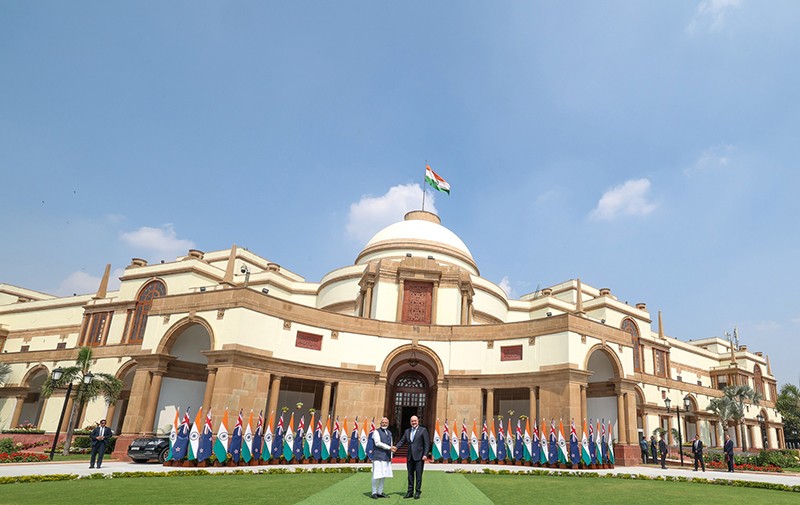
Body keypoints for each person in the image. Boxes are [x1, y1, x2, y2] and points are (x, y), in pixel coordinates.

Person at [393, 415, 430, 500]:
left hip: (419, 457)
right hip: (410, 456)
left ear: (418, 421)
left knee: (418, 475)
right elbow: (402, 441)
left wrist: (425, 454)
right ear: (410, 422)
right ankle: (410, 492)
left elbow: (426, 443)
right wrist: (396, 447)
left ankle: (417, 492)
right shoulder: (407, 431)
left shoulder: (423, 430)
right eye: (412, 421)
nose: (413, 422)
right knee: (410, 475)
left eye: (415, 421)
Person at [370, 417, 394, 499]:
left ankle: (380, 492)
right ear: (380, 423)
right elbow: (377, 443)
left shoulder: (389, 433)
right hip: (378, 456)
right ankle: (374, 492)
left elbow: (391, 444)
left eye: (386, 422)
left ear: (388, 423)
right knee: (376, 474)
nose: (384, 424)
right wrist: (389, 448)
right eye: (383, 422)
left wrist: (391, 456)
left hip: (386, 457)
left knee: (384, 474)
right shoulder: (376, 432)